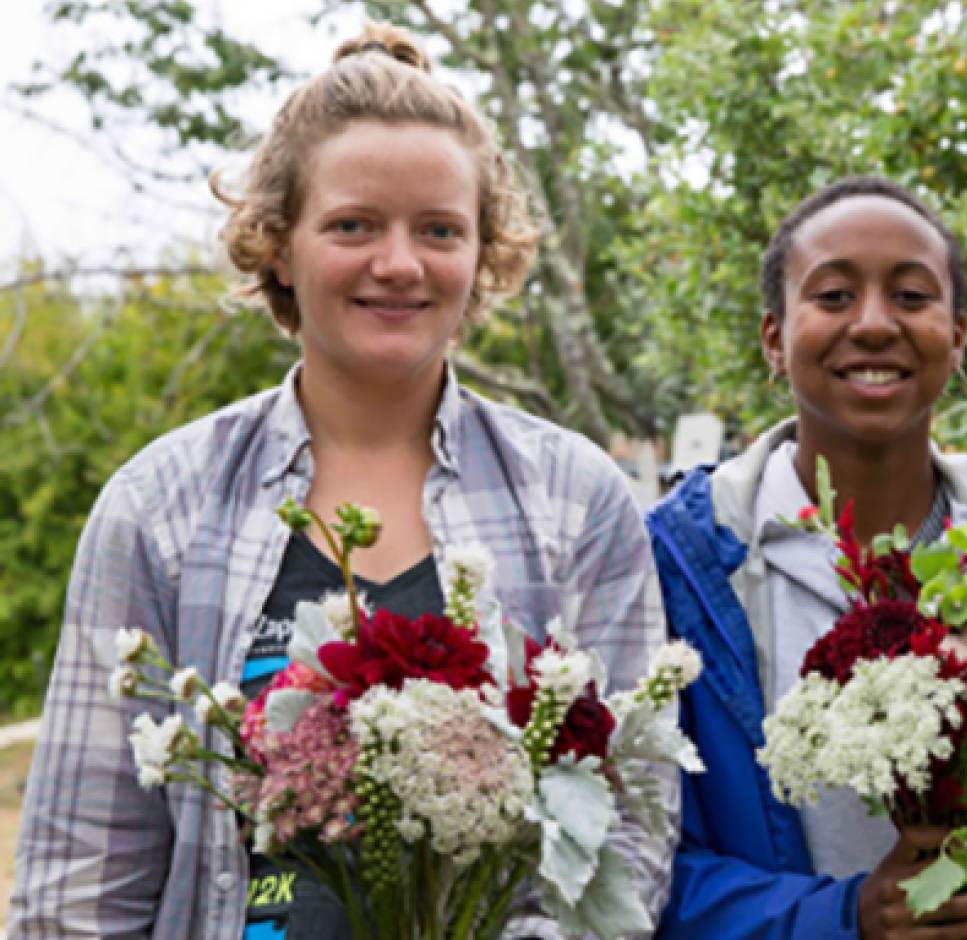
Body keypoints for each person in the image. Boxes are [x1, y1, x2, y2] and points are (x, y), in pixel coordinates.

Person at [8, 24, 673, 940]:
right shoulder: (160, 505)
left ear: (483, 255)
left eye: (439, 230)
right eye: (353, 224)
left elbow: (629, 832)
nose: (398, 263)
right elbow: (81, 878)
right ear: (279, 246)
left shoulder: (576, 500)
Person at [647, 176, 967, 939]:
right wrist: (842, 918)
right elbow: (645, 862)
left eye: (912, 296)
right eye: (831, 296)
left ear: (957, 338)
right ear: (772, 337)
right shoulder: (681, 566)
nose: (872, 324)